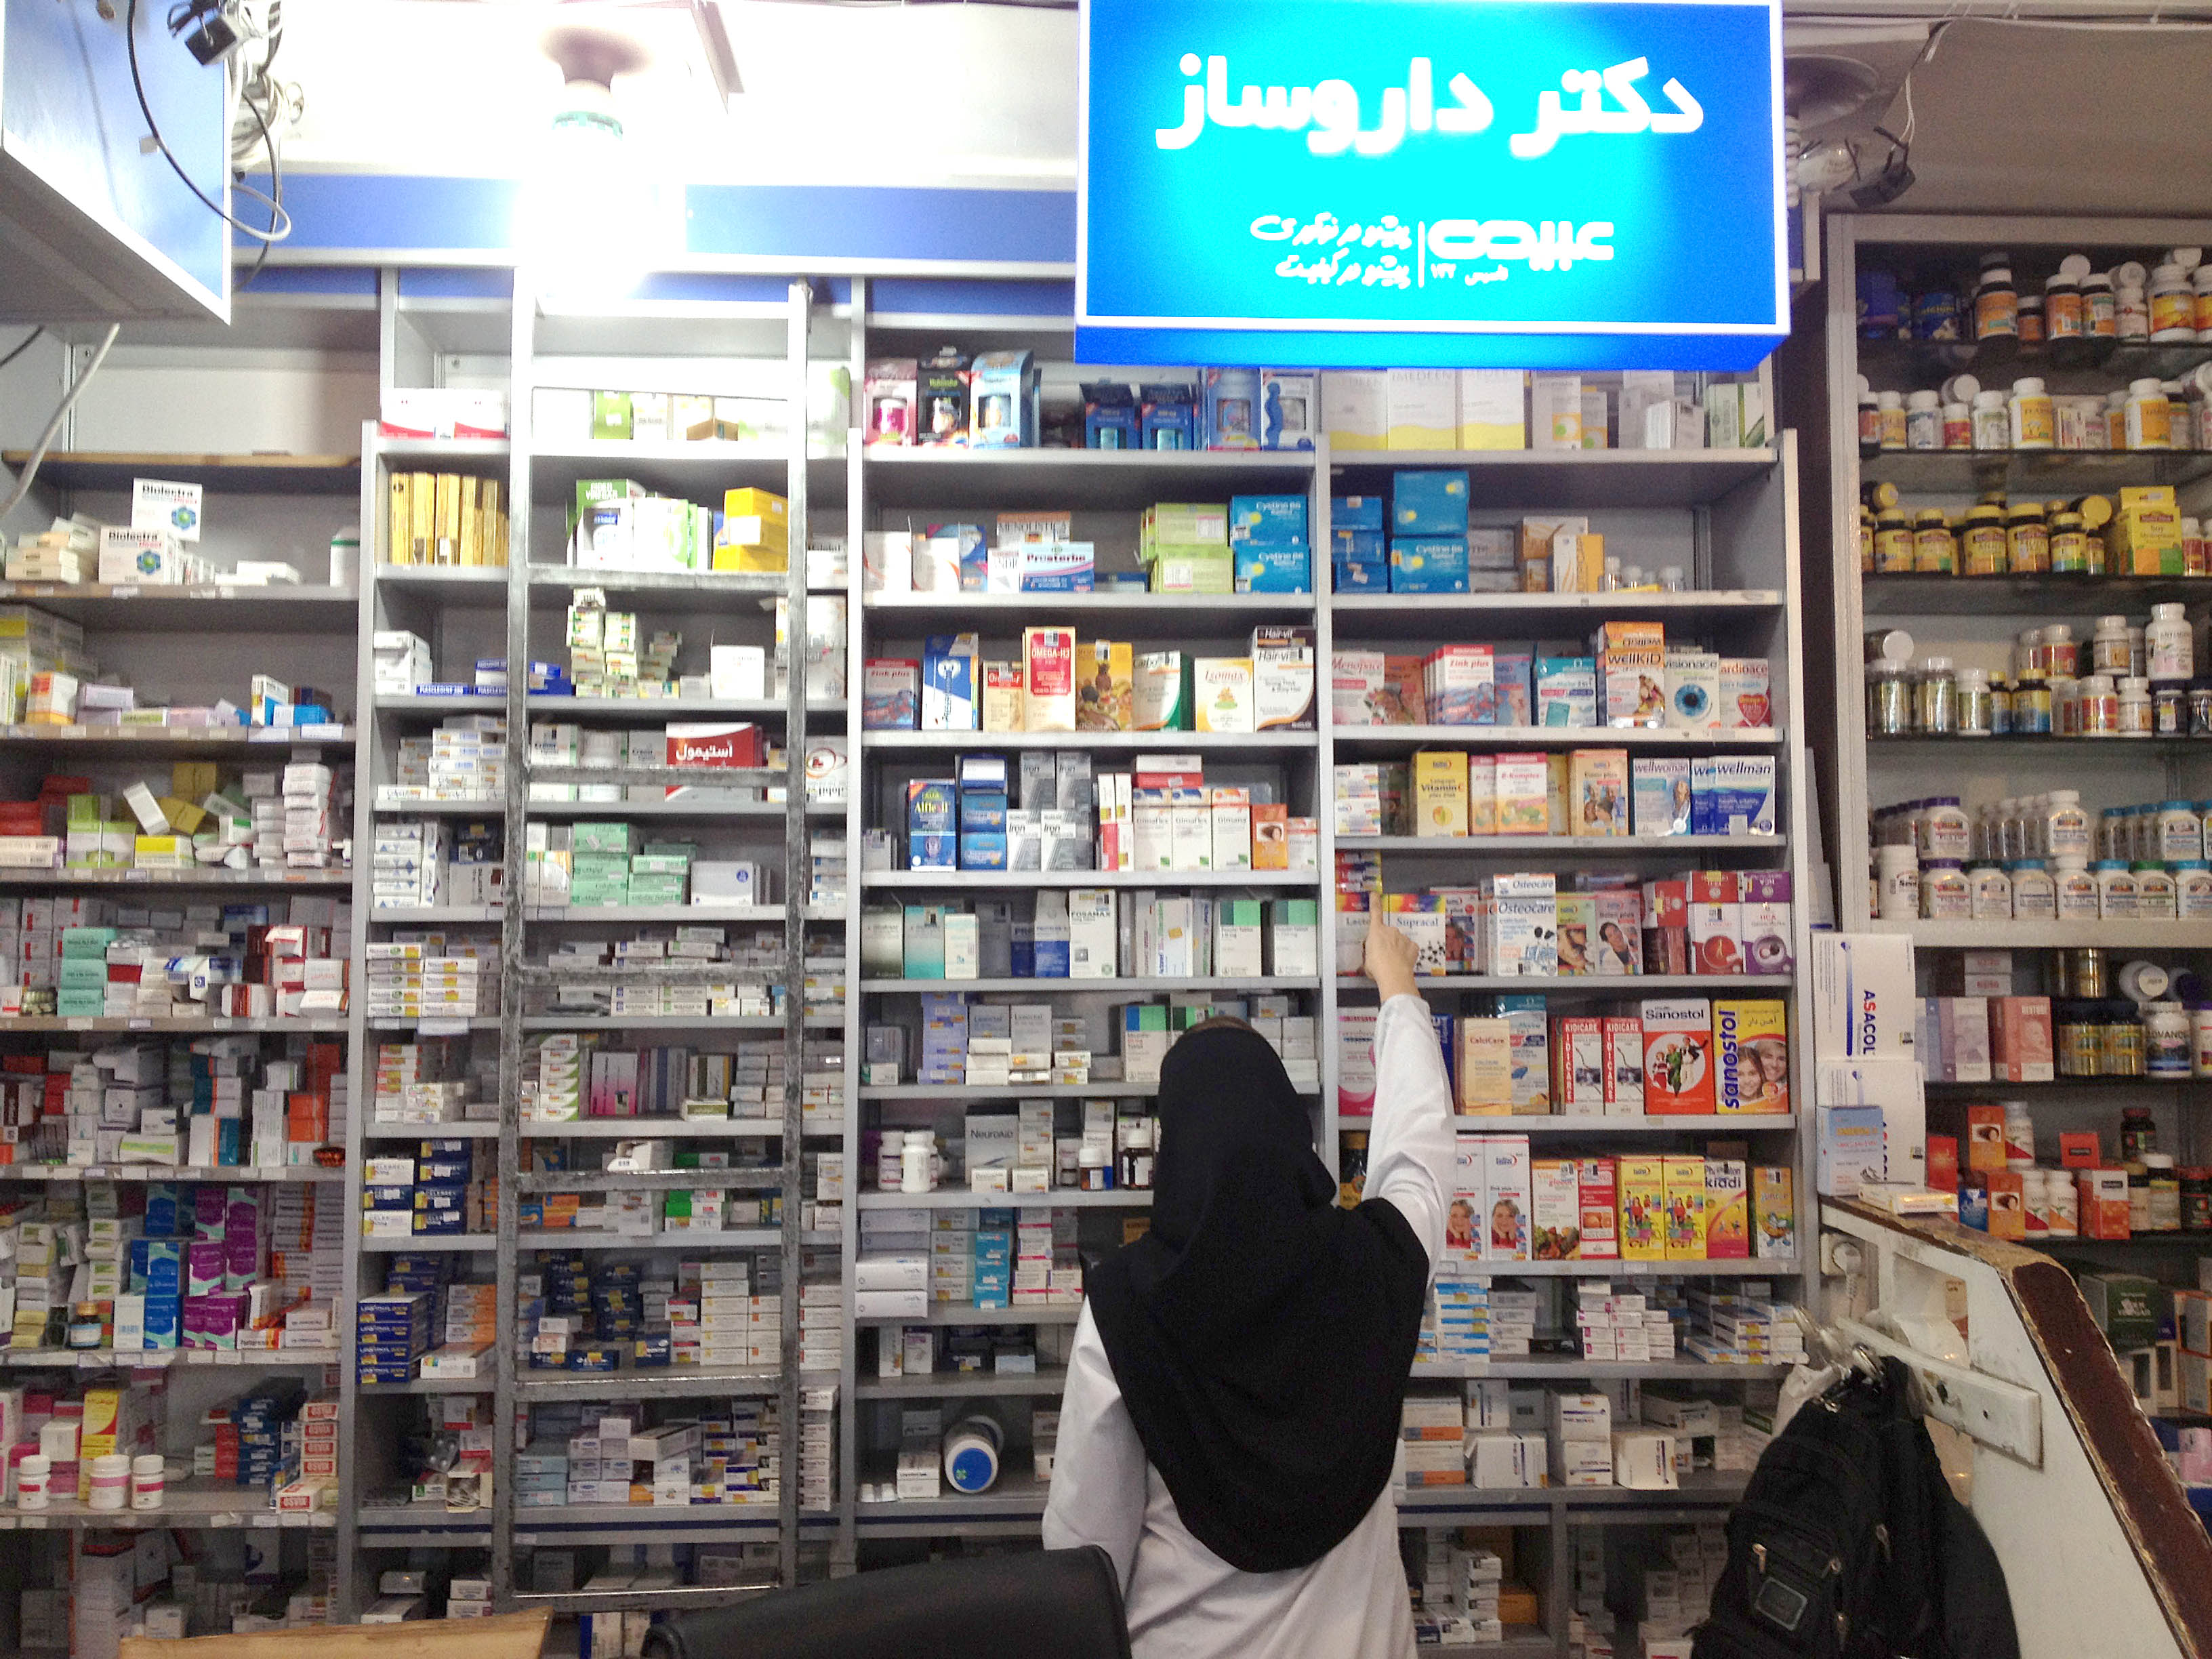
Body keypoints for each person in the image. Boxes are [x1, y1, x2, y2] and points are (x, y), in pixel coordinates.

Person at [1042, 914, 1457, 1658]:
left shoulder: (1125, 1306)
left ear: (1173, 1148)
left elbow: (1084, 1553)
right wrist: (1398, 986)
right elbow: (1420, 1153)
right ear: (1290, 1131)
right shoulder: (1375, 1262)